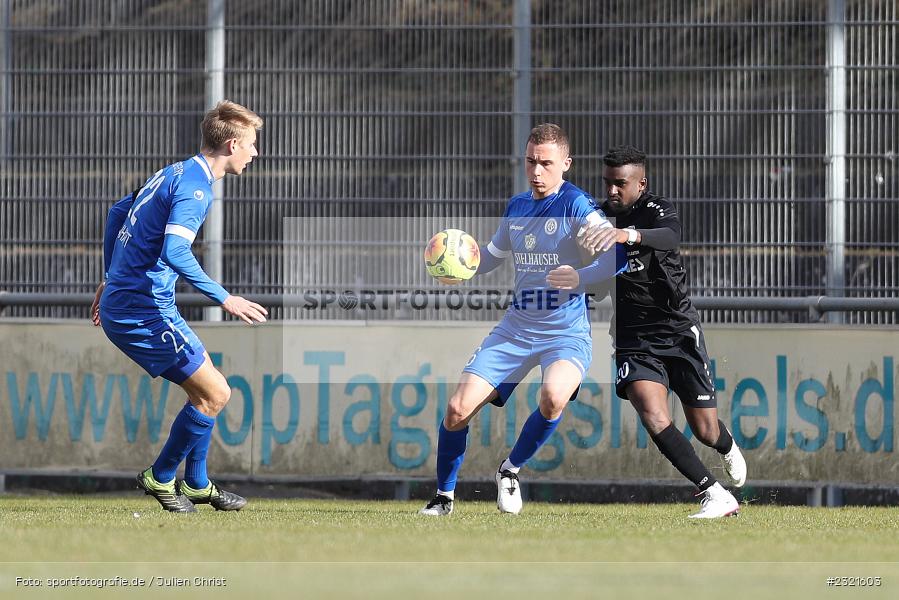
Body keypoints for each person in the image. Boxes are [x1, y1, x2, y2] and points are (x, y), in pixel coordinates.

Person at [419, 124, 626, 516]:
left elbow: (615, 256)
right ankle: (443, 497)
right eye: (531, 161)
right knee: (457, 410)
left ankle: (510, 470)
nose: (536, 171)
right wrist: (460, 264)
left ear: (565, 163)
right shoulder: (517, 207)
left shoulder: (578, 206)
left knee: (552, 398)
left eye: (546, 163)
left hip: (565, 332)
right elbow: (493, 256)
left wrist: (581, 277)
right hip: (516, 328)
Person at [91, 100, 268, 513]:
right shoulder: (195, 188)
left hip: (140, 301)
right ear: (230, 144)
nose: (255, 153)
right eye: (251, 144)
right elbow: (175, 250)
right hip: (141, 309)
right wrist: (225, 297)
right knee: (216, 392)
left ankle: (198, 483)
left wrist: (107, 276)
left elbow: (118, 211)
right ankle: (161, 475)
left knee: (208, 390)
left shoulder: (175, 170)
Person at [578, 145, 747, 519]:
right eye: (607, 183)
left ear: (641, 183)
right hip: (632, 336)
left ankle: (727, 444)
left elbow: (671, 236)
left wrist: (629, 236)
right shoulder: (596, 217)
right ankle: (713, 494)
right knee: (653, 414)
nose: (612, 192)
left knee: (705, 430)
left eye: (620, 184)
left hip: (676, 330)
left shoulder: (657, 210)